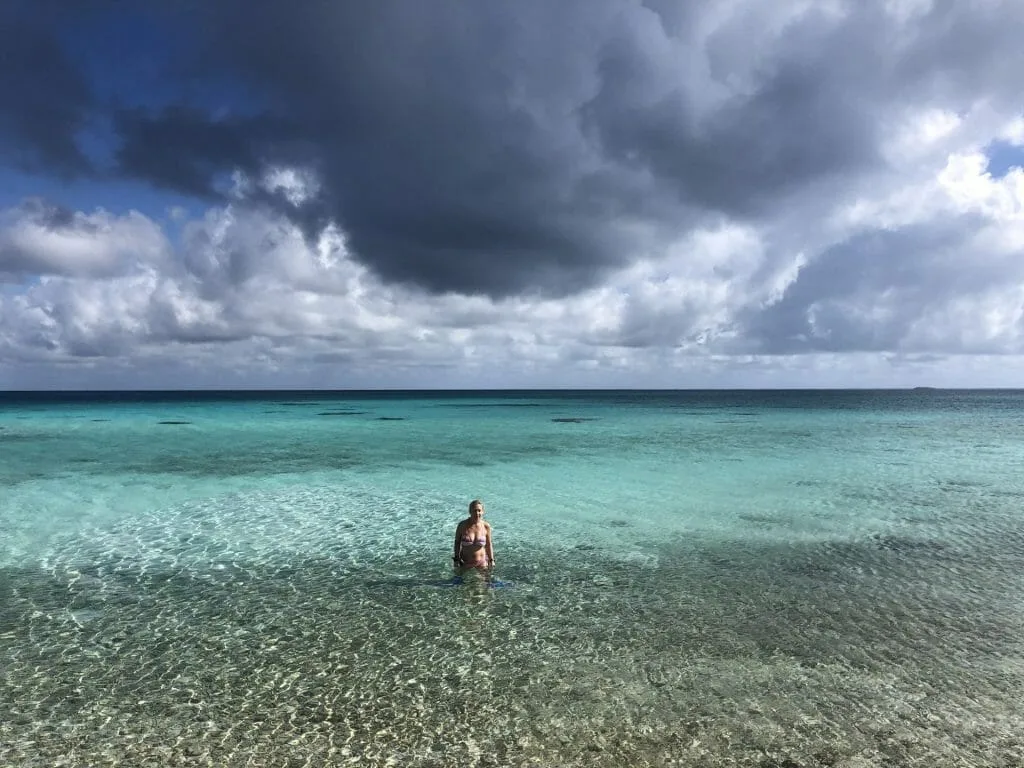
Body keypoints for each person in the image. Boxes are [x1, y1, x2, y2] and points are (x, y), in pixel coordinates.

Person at [452, 499, 495, 571]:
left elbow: (488, 544)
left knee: (484, 582)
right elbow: (457, 542)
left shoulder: (486, 526)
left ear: (483, 511)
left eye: (479, 510)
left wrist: (491, 560)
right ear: (470, 512)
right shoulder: (462, 525)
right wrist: (456, 559)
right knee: (463, 582)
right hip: (465, 563)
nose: (477, 513)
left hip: (482, 563)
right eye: (474, 510)